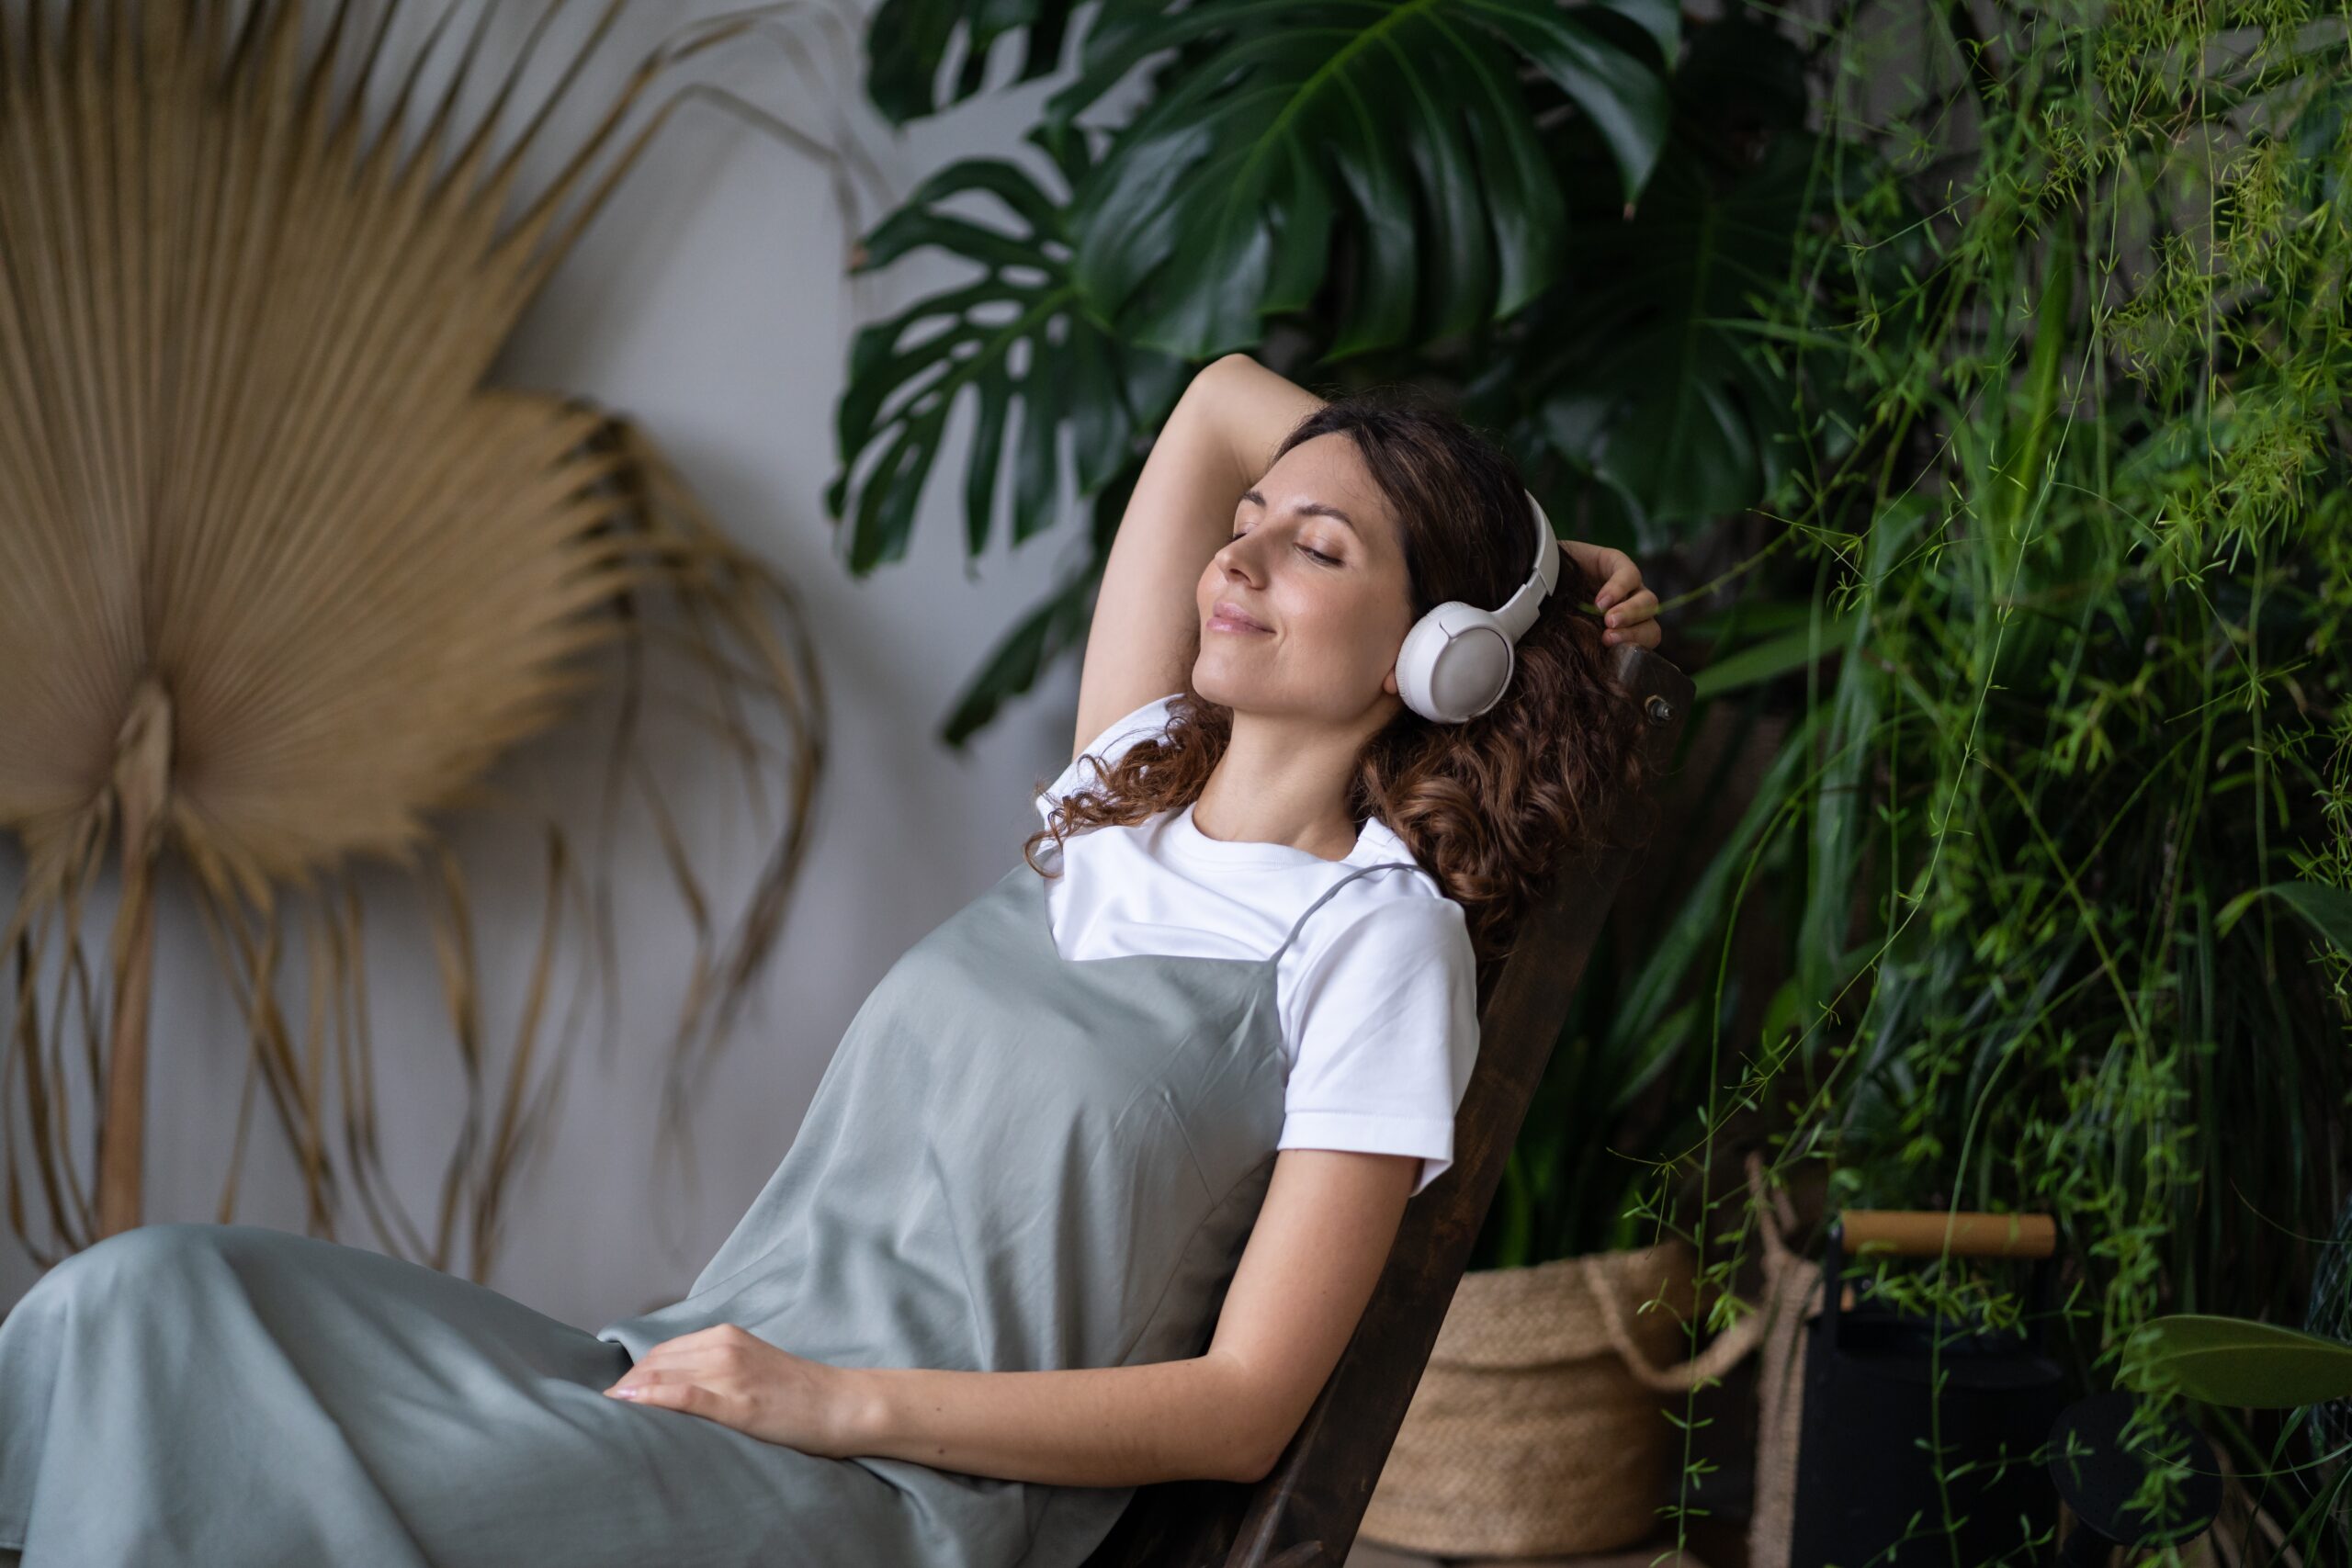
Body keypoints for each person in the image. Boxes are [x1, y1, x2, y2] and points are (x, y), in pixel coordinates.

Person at [0, 352, 1662, 1568]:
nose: (1237, 560)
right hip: (689, 1365)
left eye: (1320, 550)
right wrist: (1534, 558)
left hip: (875, 1490)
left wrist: (835, 1406)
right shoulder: (1119, 790)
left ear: (1437, 661)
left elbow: (1242, 1406)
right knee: (138, 1304)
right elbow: (1226, 394)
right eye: (1249, 524)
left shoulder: (1376, 942)